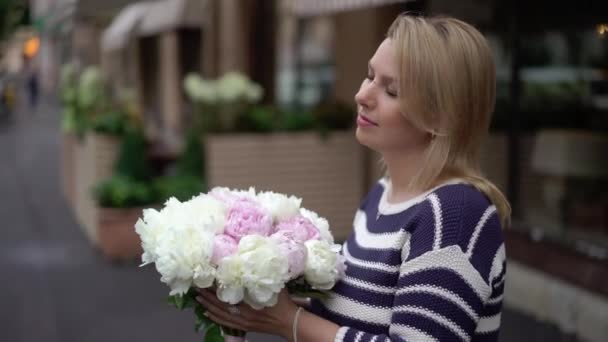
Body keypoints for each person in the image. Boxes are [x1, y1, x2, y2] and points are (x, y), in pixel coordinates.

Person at [196, 13, 510, 342]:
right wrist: (257, 299)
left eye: (392, 90)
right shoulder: (381, 196)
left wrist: (289, 322)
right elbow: (357, 316)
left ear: (440, 118)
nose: (363, 95)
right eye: (370, 75)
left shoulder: (455, 214)